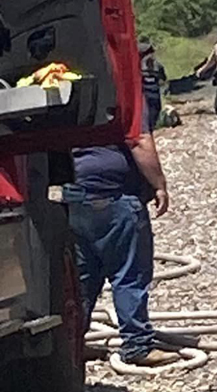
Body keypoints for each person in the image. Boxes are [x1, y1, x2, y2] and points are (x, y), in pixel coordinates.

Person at [65, 117, 177, 367]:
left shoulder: (71, 89)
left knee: (82, 278)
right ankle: (137, 345)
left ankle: (70, 347)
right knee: (129, 274)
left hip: (76, 193)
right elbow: (139, 140)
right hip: (115, 195)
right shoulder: (124, 92)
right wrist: (159, 185)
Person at [138, 38, 166, 132]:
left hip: (146, 96)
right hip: (150, 96)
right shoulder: (157, 65)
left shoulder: (137, 66)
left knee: (148, 122)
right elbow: (163, 79)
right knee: (150, 122)